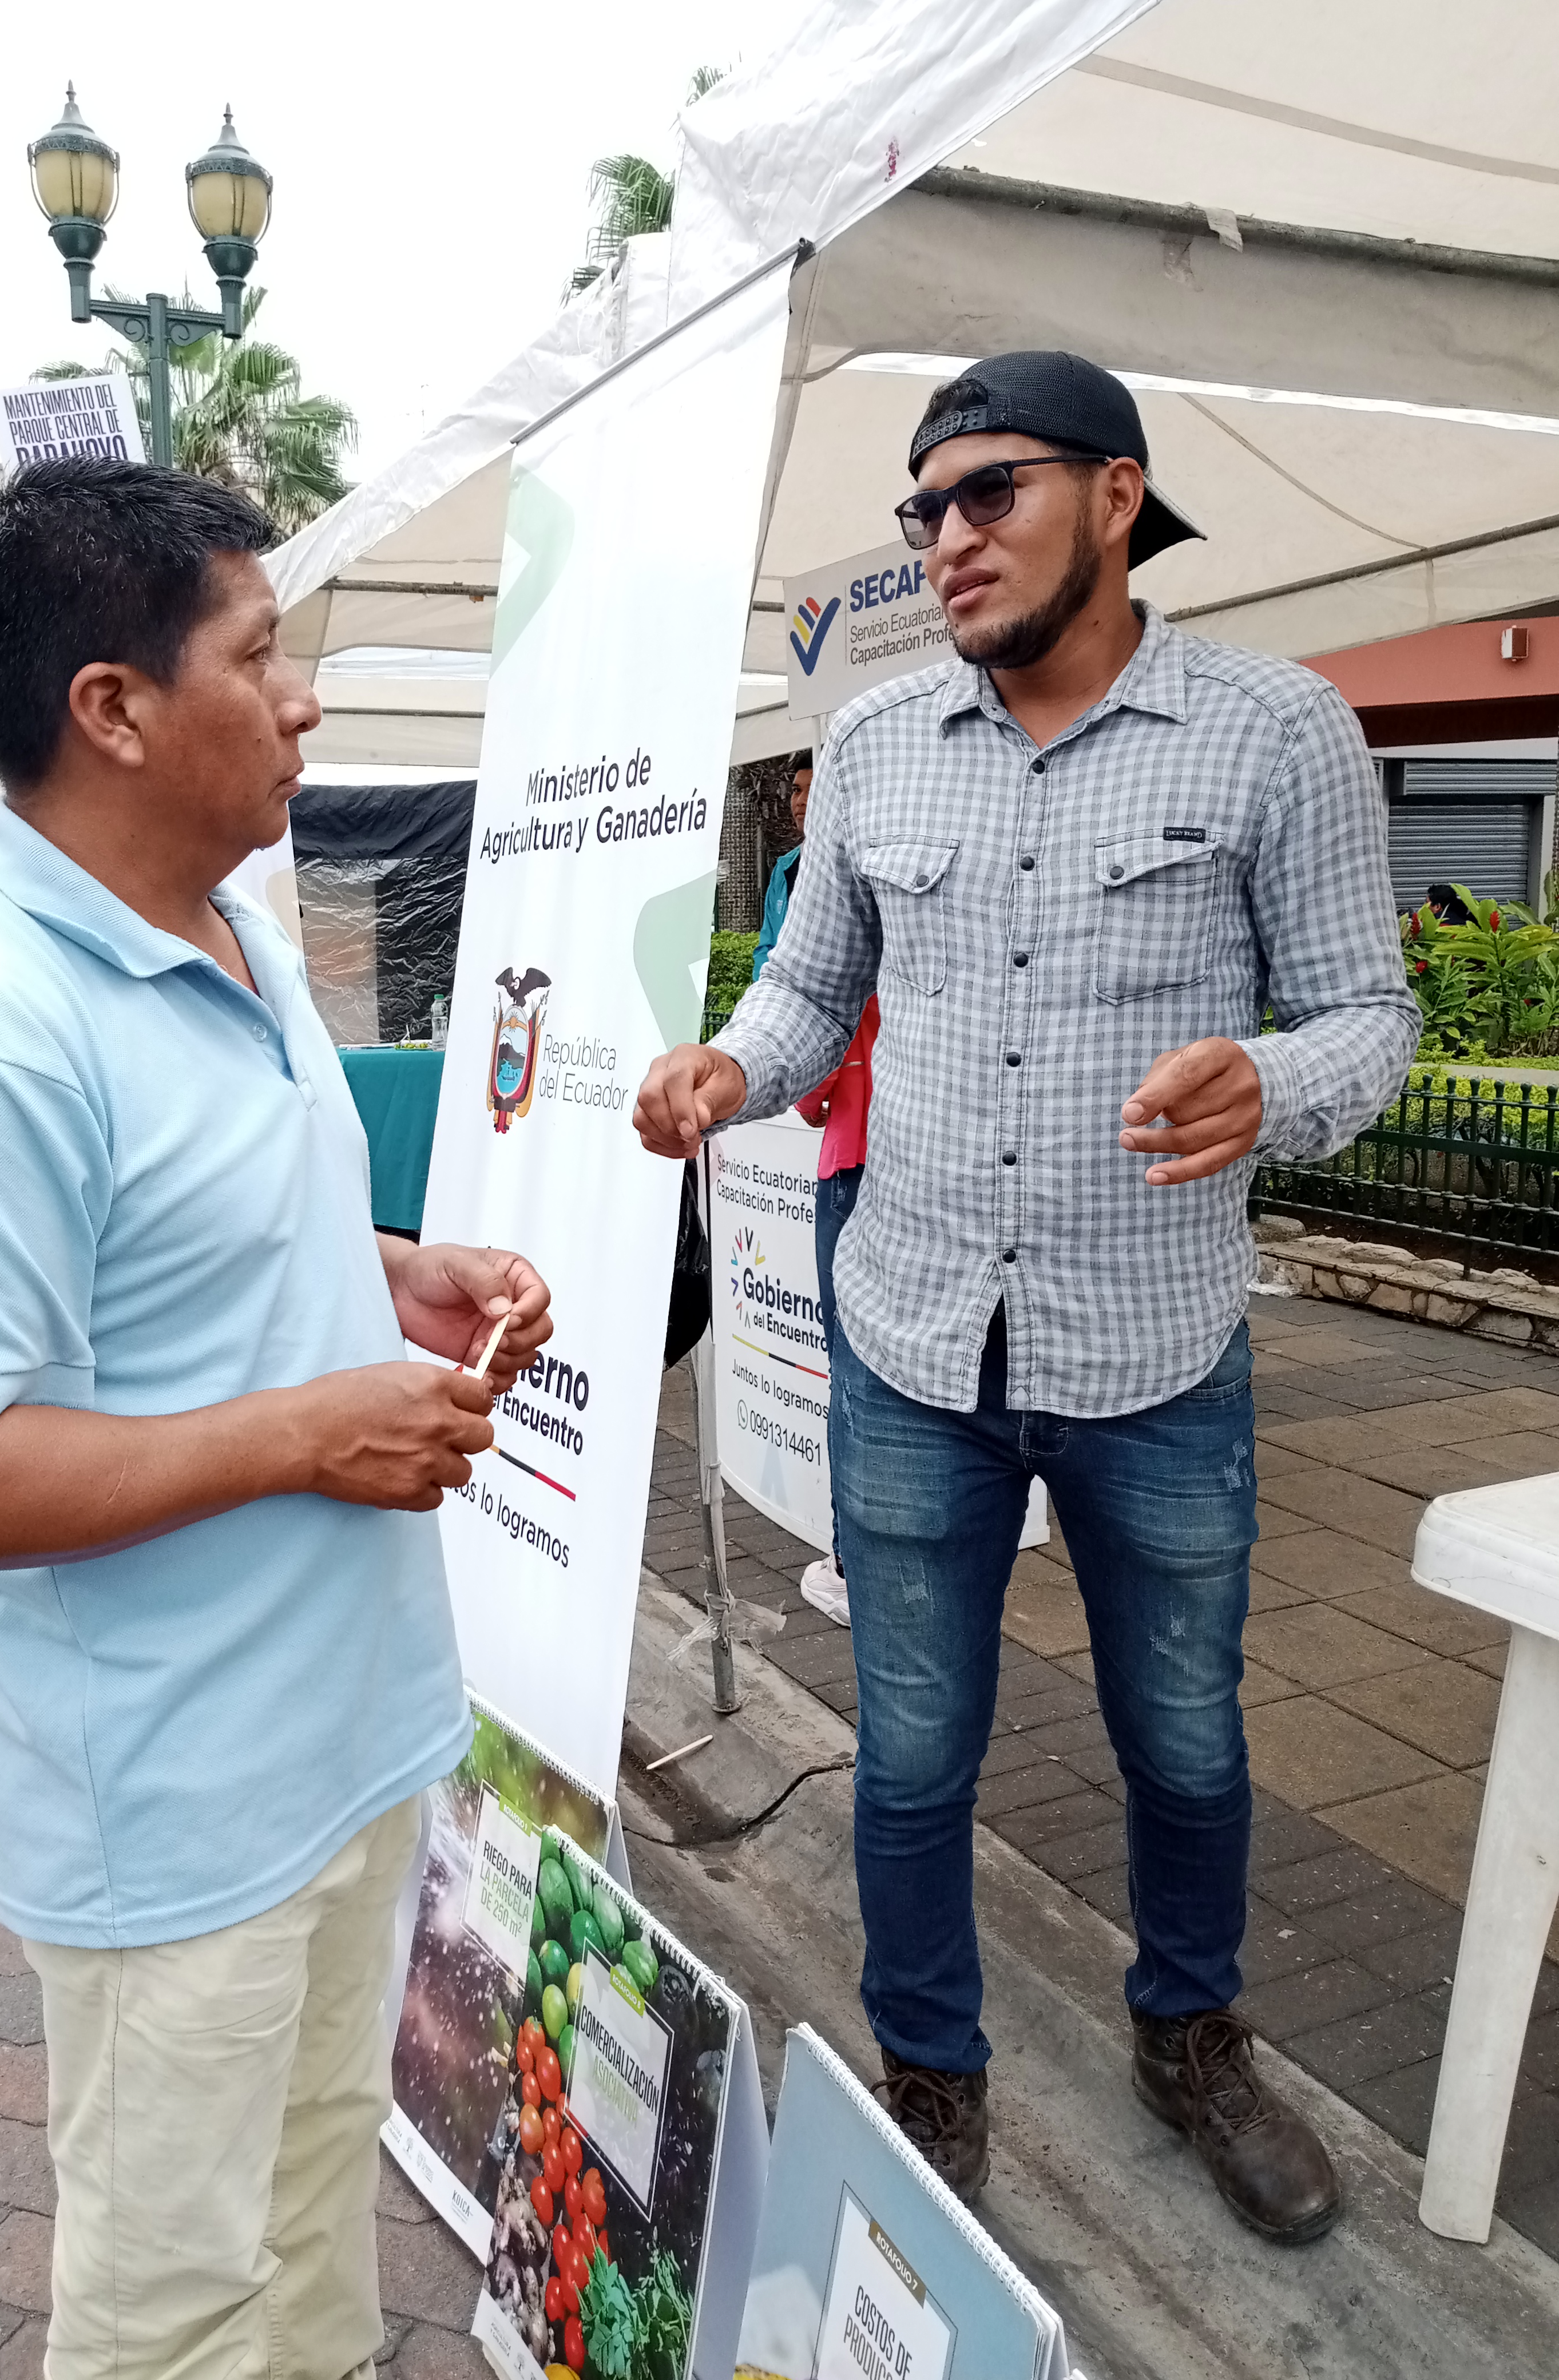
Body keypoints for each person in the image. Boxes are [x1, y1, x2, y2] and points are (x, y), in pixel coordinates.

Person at [634, 351, 1419, 2244]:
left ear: (1117, 497)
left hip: (1157, 1349)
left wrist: (1274, 1083)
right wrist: (732, 1065)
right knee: (911, 1754)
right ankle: (932, 2068)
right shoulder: (876, 747)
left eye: (991, 493)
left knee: (1188, 1743)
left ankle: (1192, 2038)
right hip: (913, 1340)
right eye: (925, 509)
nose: (949, 538)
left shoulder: (1277, 732)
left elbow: (1370, 1017)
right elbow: (812, 988)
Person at [0, 455, 553, 2380]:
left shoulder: (227, 925)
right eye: (263, 653)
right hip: (177, 1815)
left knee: (304, 2230)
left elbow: (193, 1238)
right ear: (114, 708)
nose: (305, 698)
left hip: (348, 1737)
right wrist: (307, 1435)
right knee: (174, 2314)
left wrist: (394, 1267)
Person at [791, 992, 879, 1624]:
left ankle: (851, 1569)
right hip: (938, 1162)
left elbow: (822, 1009)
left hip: (856, 1149)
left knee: (852, 1373)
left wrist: (811, 1096)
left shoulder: (855, 932)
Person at [751, 757, 814, 979]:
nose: (801, 801)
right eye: (796, 791)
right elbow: (767, 946)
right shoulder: (784, 868)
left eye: (812, 790)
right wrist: (761, 990)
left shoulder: (850, 867)